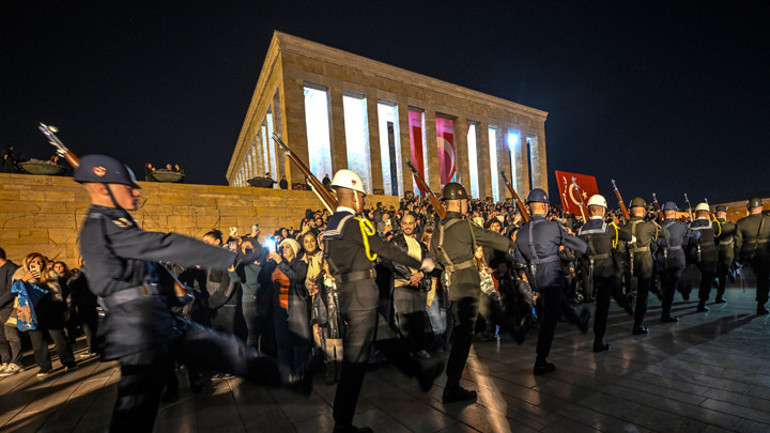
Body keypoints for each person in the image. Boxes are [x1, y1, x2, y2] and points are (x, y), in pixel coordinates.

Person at [74, 155, 283, 433]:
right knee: (135, 411)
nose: (137, 191)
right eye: (128, 186)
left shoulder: (116, 221)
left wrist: (174, 291)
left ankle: (286, 375)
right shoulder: (101, 229)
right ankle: (286, 375)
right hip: (136, 328)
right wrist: (225, 257)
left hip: (153, 317)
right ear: (103, 189)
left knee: (225, 349)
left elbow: (148, 265)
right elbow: (164, 245)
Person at [322, 169, 440, 433]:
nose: (363, 201)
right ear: (353, 195)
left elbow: (330, 261)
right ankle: (342, 423)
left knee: (387, 340)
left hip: (349, 294)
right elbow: (386, 250)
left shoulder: (332, 226)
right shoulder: (356, 224)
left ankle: (420, 373)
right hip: (363, 296)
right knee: (355, 363)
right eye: (362, 197)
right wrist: (421, 262)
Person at [429, 182, 520, 402]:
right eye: (466, 201)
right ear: (459, 202)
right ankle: (452, 387)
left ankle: (452, 384)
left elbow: (434, 263)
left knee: (462, 334)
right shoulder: (465, 225)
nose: (467, 204)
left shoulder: (437, 230)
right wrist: (514, 245)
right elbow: (491, 238)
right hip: (467, 283)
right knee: (463, 337)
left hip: (451, 286)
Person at [513, 188, 589, 376]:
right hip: (553, 277)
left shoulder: (521, 233)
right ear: (545, 207)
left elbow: (519, 261)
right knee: (549, 321)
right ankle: (540, 361)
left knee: (558, 303)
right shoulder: (553, 227)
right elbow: (578, 245)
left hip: (536, 280)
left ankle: (580, 321)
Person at [577, 195, 634, 352]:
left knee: (614, 291)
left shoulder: (581, 230)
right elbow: (626, 237)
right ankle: (598, 340)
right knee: (603, 307)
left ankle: (627, 305)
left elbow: (577, 253)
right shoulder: (607, 228)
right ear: (602, 210)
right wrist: (633, 237)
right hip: (607, 271)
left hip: (592, 272)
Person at [12, 253, 77, 376]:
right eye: (33, 262)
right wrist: (24, 280)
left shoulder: (50, 274)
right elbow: (15, 292)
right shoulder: (20, 274)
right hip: (31, 310)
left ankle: (69, 362)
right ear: (27, 263)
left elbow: (58, 294)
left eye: (39, 262)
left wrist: (64, 310)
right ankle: (44, 366)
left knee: (59, 337)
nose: (36, 265)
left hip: (51, 309)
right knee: (37, 340)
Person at [388, 212, 432, 359]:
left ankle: (420, 349)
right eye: (405, 223)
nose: (408, 226)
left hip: (418, 285)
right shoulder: (395, 242)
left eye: (410, 223)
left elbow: (428, 263)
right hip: (402, 285)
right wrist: (410, 276)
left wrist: (421, 275)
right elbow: (394, 262)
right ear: (401, 225)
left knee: (419, 318)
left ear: (415, 224)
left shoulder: (421, 244)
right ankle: (407, 352)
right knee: (405, 320)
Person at [621, 197, 666, 335]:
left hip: (629, 262)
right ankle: (638, 325)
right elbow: (664, 234)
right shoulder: (649, 225)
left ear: (630, 210)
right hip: (645, 262)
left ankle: (630, 302)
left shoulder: (623, 227)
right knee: (643, 295)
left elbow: (621, 250)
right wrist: (653, 220)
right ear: (643, 210)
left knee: (633, 290)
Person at [658, 201, 696, 323]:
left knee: (667, 286)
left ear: (664, 214)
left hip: (662, 260)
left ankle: (682, 291)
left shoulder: (657, 226)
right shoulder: (681, 226)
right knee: (671, 287)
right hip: (676, 259)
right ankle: (666, 314)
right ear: (674, 213)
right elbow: (696, 235)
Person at [734, 197, 770, 315]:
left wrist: (737, 257)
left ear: (748, 208)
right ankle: (761, 304)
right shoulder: (768, 220)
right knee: (764, 279)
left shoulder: (741, 222)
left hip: (748, 255)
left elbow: (738, 242)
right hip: (765, 254)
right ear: (762, 207)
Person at [690, 202, 718, 312]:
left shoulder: (689, 225)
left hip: (695, 253)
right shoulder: (713, 224)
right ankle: (702, 302)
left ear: (696, 213)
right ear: (707, 213)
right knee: (707, 279)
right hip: (709, 254)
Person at [0, 247, 22, 376]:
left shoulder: (11, 268)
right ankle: (5, 360)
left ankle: (17, 362)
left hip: (7, 307)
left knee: (11, 335)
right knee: (1, 337)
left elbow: (11, 289)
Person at [713, 205, 736, 303]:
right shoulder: (731, 225)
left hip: (715, 251)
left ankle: (717, 281)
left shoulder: (712, 225)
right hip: (728, 251)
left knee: (717, 271)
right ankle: (719, 296)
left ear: (715, 214)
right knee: (723, 275)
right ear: (725, 213)